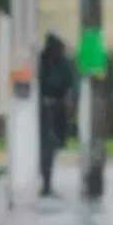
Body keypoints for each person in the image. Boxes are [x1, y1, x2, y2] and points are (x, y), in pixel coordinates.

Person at [38, 33, 78, 195]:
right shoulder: (41, 61)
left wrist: (68, 103)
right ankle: (45, 181)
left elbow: (70, 85)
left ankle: (47, 181)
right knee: (44, 148)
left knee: (50, 147)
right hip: (41, 110)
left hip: (57, 112)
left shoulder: (64, 63)